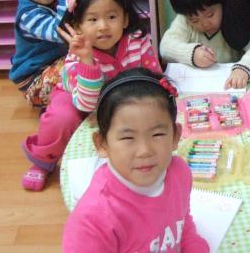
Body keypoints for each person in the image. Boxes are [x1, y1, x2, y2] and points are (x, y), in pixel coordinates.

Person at [21, 0, 160, 191]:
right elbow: (86, 105)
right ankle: (43, 161)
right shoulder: (76, 56)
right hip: (79, 98)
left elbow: (154, 77)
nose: (103, 26)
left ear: (125, 19)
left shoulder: (137, 41)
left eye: (111, 17)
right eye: (92, 19)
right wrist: (87, 61)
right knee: (61, 118)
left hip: (121, 98)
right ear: (78, 26)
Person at [62, 68, 209, 252]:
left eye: (157, 134)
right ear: (102, 144)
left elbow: (183, 224)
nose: (144, 151)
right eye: (128, 138)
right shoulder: (92, 220)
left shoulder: (180, 173)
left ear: (175, 136)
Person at [9, 0, 72, 108]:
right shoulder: (28, 15)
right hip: (34, 80)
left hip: (55, 64)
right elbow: (60, 33)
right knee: (82, 63)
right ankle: (60, 106)